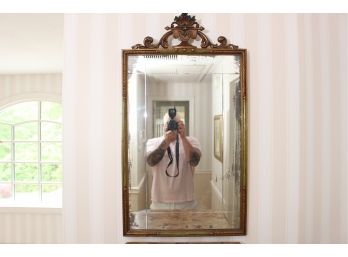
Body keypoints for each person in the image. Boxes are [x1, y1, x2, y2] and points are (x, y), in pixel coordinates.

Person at [146, 109, 201, 210]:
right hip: (159, 202)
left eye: (175, 123)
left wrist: (183, 138)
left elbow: (194, 161)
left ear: (181, 124)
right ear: (164, 126)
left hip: (187, 202)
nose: (172, 125)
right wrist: (166, 141)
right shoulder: (153, 142)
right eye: (169, 123)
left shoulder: (192, 141)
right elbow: (151, 161)